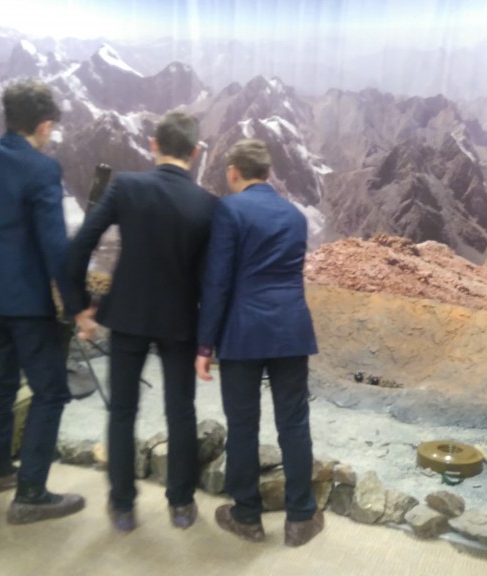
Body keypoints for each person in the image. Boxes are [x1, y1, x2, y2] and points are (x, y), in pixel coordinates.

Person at [65, 112, 217, 533]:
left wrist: (79, 306)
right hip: (181, 320)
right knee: (181, 412)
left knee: (122, 411)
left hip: (127, 314)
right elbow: (212, 279)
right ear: (196, 152)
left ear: (153, 144)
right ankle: (181, 505)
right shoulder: (207, 204)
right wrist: (208, 339)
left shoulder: (126, 186)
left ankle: (123, 506)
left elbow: (81, 243)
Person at [0, 79, 85, 524]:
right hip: (23, 299)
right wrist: (76, 303)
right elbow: (54, 244)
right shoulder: (41, 169)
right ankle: (30, 494)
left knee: (2, 381)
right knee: (51, 391)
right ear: (44, 124)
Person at [195, 138, 324, 547]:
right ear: (267, 173)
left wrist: (204, 345)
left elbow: (217, 282)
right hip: (290, 329)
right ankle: (300, 518)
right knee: (294, 422)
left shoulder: (229, 210)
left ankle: (247, 516)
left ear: (234, 171)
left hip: (243, 331)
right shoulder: (295, 216)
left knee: (243, 425)